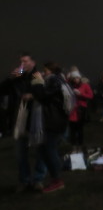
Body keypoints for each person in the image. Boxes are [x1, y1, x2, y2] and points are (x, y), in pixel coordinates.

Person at [0, 53, 42, 191]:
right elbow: (2, 90)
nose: (22, 64)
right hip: (19, 118)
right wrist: (11, 78)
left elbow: (43, 93)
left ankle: (38, 179)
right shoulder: (17, 78)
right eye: (21, 61)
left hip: (34, 118)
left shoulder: (37, 75)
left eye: (25, 61)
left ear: (33, 62)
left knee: (39, 151)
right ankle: (25, 180)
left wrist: (33, 95)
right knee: (20, 153)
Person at [30, 62, 69, 193]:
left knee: (50, 151)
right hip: (50, 121)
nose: (43, 73)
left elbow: (42, 96)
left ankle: (57, 180)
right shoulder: (54, 80)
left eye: (45, 70)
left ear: (51, 71)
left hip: (53, 122)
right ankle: (54, 179)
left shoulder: (54, 81)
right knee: (44, 151)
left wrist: (38, 82)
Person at [67, 71, 94, 152]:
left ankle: (80, 146)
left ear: (80, 78)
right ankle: (73, 147)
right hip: (72, 111)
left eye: (77, 78)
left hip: (80, 111)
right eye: (74, 78)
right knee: (72, 131)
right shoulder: (70, 86)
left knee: (80, 130)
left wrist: (81, 94)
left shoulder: (85, 85)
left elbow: (90, 96)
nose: (76, 79)